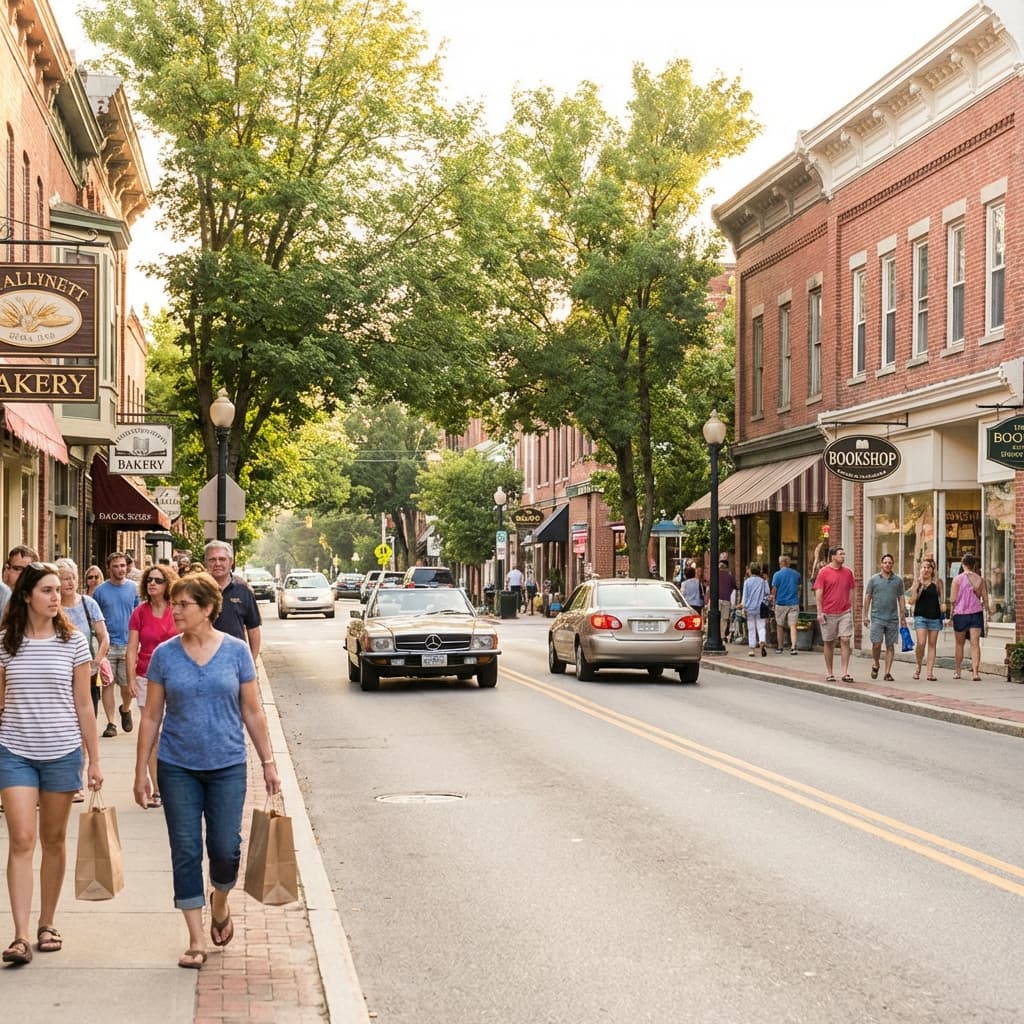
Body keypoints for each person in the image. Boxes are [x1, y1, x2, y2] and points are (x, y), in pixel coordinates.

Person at [134, 572, 280, 970]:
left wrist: (268, 762)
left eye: (183, 605)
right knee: (184, 851)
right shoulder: (165, 654)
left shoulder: (235, 652)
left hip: (227, 765)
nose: (175, 610)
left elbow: (251, 710)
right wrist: (139, 772)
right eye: (175, 604)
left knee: (225, 849)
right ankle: (196, 939)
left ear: (208, 609)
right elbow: (151, 716)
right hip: (177, 765)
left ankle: (220, 900)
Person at [0, 561, 102, 965]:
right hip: (15, 751)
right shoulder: (6, 642)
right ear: (26, 595)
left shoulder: (74, 642)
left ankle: (47, 922)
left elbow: (83, 703)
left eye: (58, 589)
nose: (55, 596)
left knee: (54, 841)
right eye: (46, 590)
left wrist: (94, 760)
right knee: (22, 839)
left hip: (62, 752)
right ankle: (21, 934)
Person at [127, 563, 180, 809]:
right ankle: (158, 789)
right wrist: (129, 679)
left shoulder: (176, 610)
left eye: (158, 580)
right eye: (149, 580)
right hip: (146, 677)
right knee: (153, 733)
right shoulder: (140, 612)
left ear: (168, 584)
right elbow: (131, 649)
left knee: (173, 732)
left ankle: (175, 783)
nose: (153, 584)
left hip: (175, 678)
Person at [55, 558, 112, 740]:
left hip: (87, 672)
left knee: (87, 722)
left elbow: (104, 637)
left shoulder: (88, 604)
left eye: (73, 577)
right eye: (65, 578)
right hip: (60, 674)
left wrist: (97, 662)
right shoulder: (52, 608)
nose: (70, 582)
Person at [92, 552, 140, 736]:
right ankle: (111, 723)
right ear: (109, 568)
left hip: (129, 644)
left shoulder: (134, 589)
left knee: (127, 687)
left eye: (123, 566)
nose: (120, 569)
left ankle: (125, 709)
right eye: (116, 566)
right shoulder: (100, 591)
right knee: (108, 684)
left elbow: (138, 615)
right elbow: (95, 618)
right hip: (108, 645)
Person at [204, 541, 261, 661]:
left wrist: (252, 662)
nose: (217, 563)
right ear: (206, 562)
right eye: (212, 559)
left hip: (235, 660)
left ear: (231, 561)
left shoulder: (244, 591)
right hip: (202, 658)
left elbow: (253, 629)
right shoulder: (196, 590)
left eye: (222, 559)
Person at [813, 546, 856, 683]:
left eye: (844, 554)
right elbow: (818, 594)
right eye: (840, 554)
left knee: (845, 639)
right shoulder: (823, 572)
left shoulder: (848, 573)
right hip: (828, 612)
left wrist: (851, 609)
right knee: (829, 642)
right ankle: (830, 672)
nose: (843, 556)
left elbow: (851, 592)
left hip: (844, 611)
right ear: (833, 557)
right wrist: (819, 612)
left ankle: (845, 672)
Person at [862, 553, 908, 681]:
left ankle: (887, 672)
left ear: (892, 564)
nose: (888, 565)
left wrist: (903, 616)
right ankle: (876, 663)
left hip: (892, 618)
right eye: (885, 562)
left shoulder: (898, 581)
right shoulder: (873, 580)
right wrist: (865, 615)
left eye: (890, 562)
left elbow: (901, 598)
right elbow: (867, 598)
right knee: (876, 644)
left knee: (890, 646)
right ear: (881, 564)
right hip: (877, 617)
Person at [949, 552, 987, 681]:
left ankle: (958, 671)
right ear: (974, 565)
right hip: (976, 612)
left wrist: (950, 616)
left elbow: (953, 600)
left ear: (963, 564)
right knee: (975, 643)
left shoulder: (957, 579)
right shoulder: (980, 579)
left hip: (960, 613)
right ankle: (975, 672)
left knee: (959, 644)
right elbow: (985, 599)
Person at [909, 557, 944, 681]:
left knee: (932, 644)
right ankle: (918, 666)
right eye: (924, 567)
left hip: (934, 617)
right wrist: (918, 589)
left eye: (928, 567)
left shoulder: (938, 583)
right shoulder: (917, 583)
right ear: (920, 569)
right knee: (921, 643)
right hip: (920, 616)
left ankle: (929, 672)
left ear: (932, 570)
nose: (926, 570)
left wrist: (944, 606)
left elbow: (942, 601)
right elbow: (912, 601)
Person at [0, 546, 40, 625]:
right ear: (7, 569)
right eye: (18, 569)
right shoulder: (2, 594)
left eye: (27, 570)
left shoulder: (38, 601)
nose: (22, 574)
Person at [770, 554, 801, 655]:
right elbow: (798, 587)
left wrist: (772, 601)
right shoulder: (796, 574)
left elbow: (774, 590)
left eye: (779, 562)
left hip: (781, 603)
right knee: (793, 625)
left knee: (780, 625)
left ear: (782, 563)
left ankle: (780, 647)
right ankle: (793, 647)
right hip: (793, 603)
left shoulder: (777, 575)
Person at [740, 561, 770, 657]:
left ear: (751, 571)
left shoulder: (747, 582)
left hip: (749, 608)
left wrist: (743, 606)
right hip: (760, 607)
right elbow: (767, 593)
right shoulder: (763, 581)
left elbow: (744, 596)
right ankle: (762, 640)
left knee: (751, 628)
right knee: (761, 626)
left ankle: (752, 649)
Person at [716, 557, 737, 645]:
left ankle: (714, 634)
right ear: (726, 568)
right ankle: (722, 636)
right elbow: (735, 587)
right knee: (724, 619)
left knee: (715, 618)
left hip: (716, 599)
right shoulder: (730, 577)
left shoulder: (715, 576)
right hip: (726, 599)